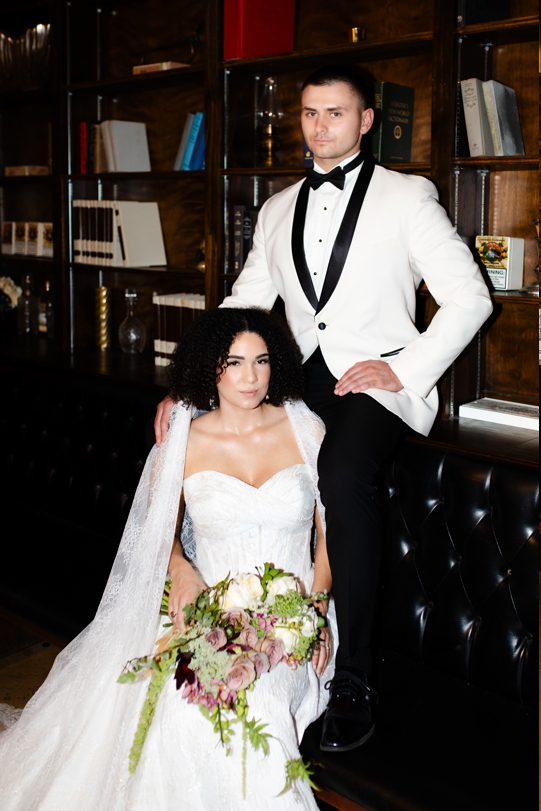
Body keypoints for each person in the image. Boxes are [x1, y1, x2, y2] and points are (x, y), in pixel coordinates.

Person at [153, 64, 493, 752]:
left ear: (366, 120)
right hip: (298, 380)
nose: (319, 126)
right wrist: (185, 383)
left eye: (335, 113)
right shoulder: (277, 209)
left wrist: (402, 369)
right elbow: (245, 305)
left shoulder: (408, 197)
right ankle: (229, 626)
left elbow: (472, 297)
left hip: (379, 384)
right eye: (310, 113)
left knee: (340, 478)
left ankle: (355, 678)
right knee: (204, 441)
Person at [0, 307, 336, 809]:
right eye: (235, 362)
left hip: (295, 616)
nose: (251, 377)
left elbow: (329, 537)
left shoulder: (307, 431)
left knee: (259, 707)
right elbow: (156, 536)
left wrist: (317, 608)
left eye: (262, 362)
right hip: (208, 608)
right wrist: (181, 568)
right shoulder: (182, 441)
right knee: (176, 703)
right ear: (209, 367)